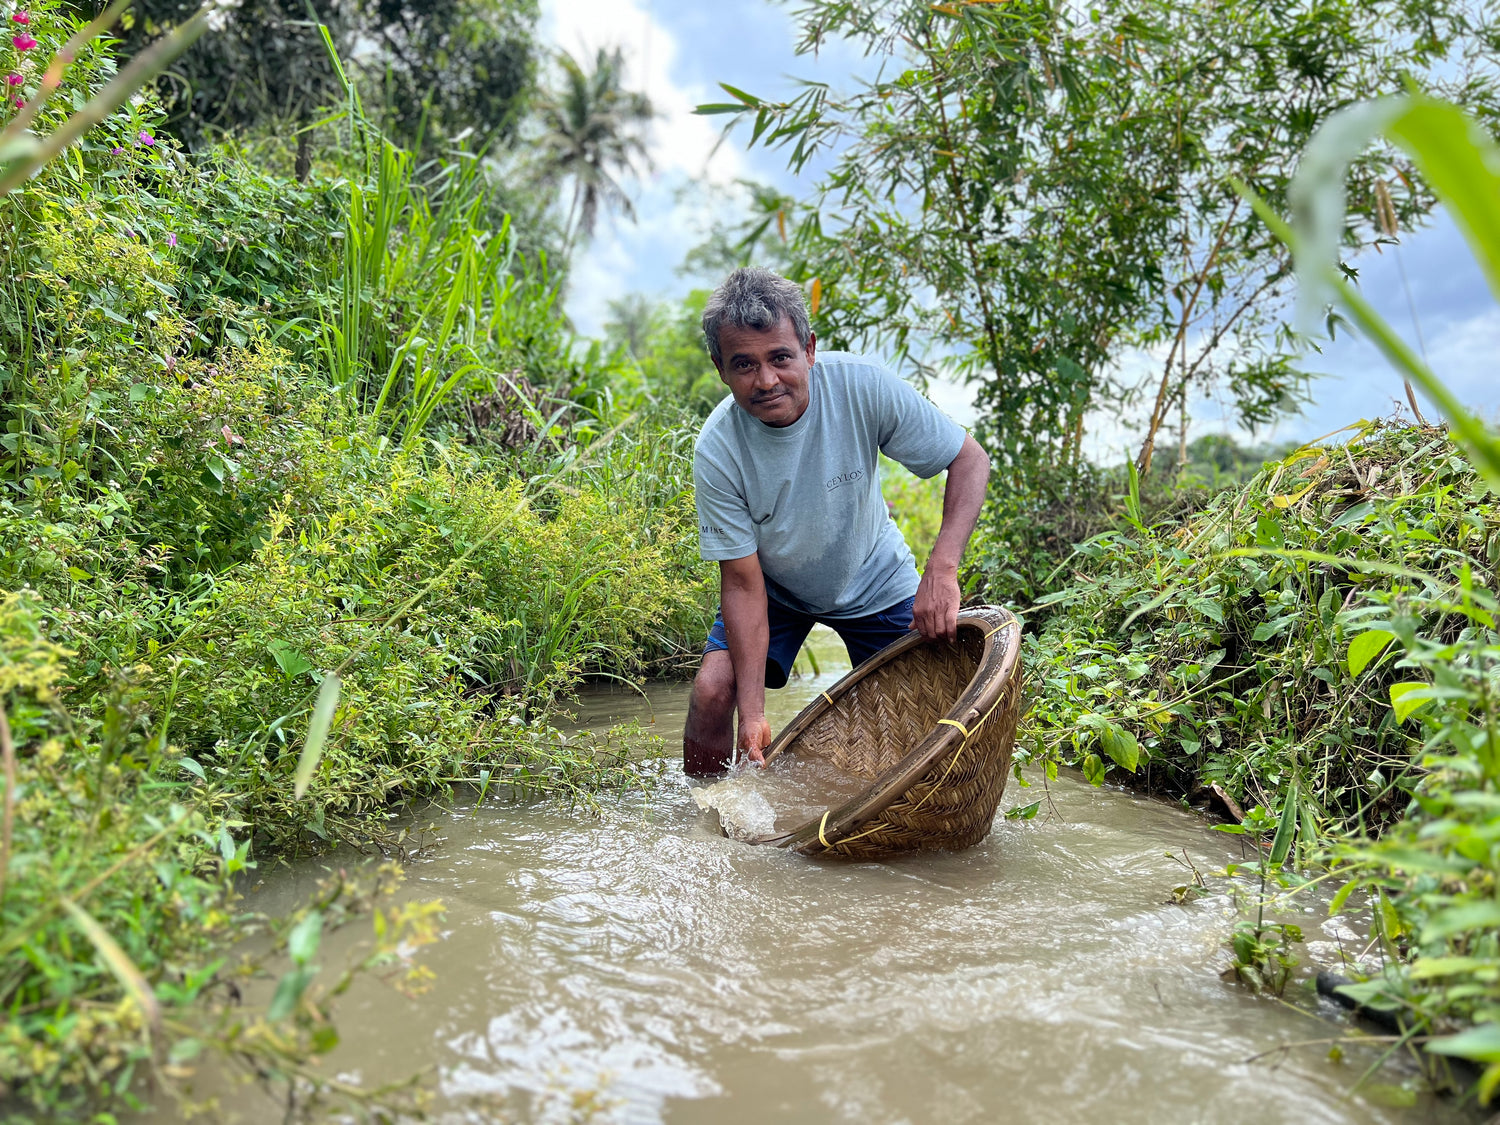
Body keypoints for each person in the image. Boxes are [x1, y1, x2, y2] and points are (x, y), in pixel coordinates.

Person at [683, 268, 992, 777]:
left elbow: (969, 460)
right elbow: (741, 582)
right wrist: (754, 715)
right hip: (775, 589)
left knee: (926, 711)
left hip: (874, 577)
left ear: (808, 348)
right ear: (720, 368)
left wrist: (942, 569)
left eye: (780, 357)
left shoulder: (862, 387)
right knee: (714, 691)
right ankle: (709, 815)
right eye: (744, 364)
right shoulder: (719, 449)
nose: (765, 380)